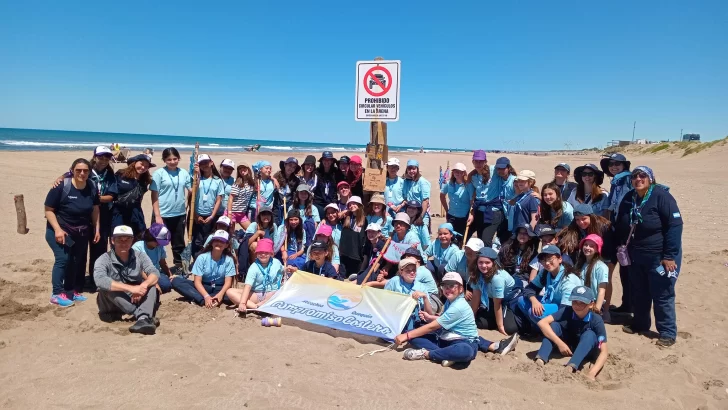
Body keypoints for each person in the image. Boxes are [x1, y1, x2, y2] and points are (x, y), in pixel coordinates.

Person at [615, 166, 682, 347]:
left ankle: (667, 332)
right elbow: (621, 222)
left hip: (660, 256)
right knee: (640, 292)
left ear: (651, 178)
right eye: (635, 176)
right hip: (636, 255)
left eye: (643, 175)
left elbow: (675, 226)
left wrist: (669, 256)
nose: (638, 179)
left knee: (662, 293)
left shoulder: (662, 196)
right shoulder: (630, 198)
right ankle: (640, 323)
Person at [395, 272, 519, 367]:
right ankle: (448, 355)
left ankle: (428, 354)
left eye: (452, 286)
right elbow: (444, 319)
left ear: (460, 289)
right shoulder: (450, 302)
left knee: (466, 351)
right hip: (447, 337)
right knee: (416, 337)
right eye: (445, 286)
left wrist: (406, 336)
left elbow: (433, 326)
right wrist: (430, 318)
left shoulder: (459, 306)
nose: (448, 289)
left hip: (463, 341)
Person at [45, 158, 101, 307]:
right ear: (72, 170)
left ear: (89, 172)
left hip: (81, 231)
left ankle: (70, 291)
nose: (82, 173)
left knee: (75, 261)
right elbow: (48, 210)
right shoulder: (62, 186)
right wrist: (57, 230)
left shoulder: (92, 186)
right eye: (78, 170)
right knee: (63, 259)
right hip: (60, 230)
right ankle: (56, 294)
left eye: (85, 171)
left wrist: (97, 228)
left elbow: (95, 209)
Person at [93, 225, 159, 335]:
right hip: (113, 305)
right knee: (105, 287)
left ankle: (142, 318)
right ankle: (142, 316)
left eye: (127, 239)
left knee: (151, 284)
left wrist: (143, 285)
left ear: (132, 241)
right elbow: (100, 280)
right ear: (113, 241)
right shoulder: (103, 259)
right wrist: (131, 289)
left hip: (136, 297)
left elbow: (154, 272)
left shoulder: (140, 256)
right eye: (120, 240)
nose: (124, 243)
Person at [535, 286, 608, 380]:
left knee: (590, 334)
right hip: (569, 346)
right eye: (574, 302)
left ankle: (571, 366)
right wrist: (559, 343)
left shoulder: (596, 320)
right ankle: (541, 358)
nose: (577, 306)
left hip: (587, 350)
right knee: (554, 325)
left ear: (591, 304)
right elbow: (542, 323)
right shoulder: (567, 310)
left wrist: (592, 373)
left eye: (582, 303)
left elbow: (604, 352)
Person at [517, 245, 583, 333]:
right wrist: (534, 301)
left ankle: (549, 330)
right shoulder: (545, 272)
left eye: (550, 258)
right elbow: (529, 289)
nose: (547, 263)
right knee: (522, 300)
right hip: (553, 303)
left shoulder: (568, 279)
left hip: (568, 309)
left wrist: (545, 318)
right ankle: (542, 328)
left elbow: (567, 309)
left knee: (534, 312)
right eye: (543, 260)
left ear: (560, 259)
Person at [150, 148, 191, 269]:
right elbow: (154, 195)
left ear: (179, 159)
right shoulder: (159, 173)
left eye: (175, 159)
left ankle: (180, 266)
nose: (172, 162)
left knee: (178, 243)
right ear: (164, 160)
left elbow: (191, 190)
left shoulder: (183, 173)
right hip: (162, 214)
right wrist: (157, 215)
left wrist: (197, 178)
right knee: (158, 241)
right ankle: (155, 265)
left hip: (179, 213)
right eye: (169, 159)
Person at [171, 230, 235, 307]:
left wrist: (220, 294)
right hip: (203, 286)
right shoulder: (202, 257)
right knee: (176, 281)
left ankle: (206, 298)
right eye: (216, 240)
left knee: (231, 293)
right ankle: (203, 300)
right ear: (212, 242)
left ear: (226, 245)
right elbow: (197, 281)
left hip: (220, 287)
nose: (219, 243)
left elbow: (228, 282)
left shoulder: (228, 260)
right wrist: (206, 296)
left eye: (222, 241)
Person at [469, 247, 522, 335]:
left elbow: (498, 304)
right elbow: (476, 296)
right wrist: (472, 316)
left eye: (487, 262)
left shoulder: (497, 278)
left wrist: (500, 326)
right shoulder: (477, 273)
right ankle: (494, 318)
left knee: (509, 328)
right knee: (479, 322)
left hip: (509, 299)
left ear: (494, 263)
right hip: (492, 299)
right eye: (480, 262)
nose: (483, 265)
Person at [227, 238, 286, 311]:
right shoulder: (253, 267)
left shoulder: (276, 262)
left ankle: (259, 305)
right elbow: (247, 286)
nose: (263, 254)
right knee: (230, 292)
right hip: (257, 294)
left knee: (282, 290)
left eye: (266, 252)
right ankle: (256, 307)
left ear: (271, 253)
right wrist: (242, 303)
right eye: (260, 252)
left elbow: (283, 271)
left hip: (273, 293)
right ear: (256, 253)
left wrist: (290, 269)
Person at [385, 258, 435, 333]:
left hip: (412, 319)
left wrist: (424, 297)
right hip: (394, 316)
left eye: (414, 270)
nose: (412, 272)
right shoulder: (395, 281)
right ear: (401, 272)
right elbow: (384, 299)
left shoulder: (421, 286)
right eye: (408, 270)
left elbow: (429, 314)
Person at [112, 154, 154, 237]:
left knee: (138, 237)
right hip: (118, 212)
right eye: (141, 164)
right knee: (118, 236)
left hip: (135, 212)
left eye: (146, 166)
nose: (143, 168)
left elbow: (140, 198)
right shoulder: (120, 174)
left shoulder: (144, 181)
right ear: (134, 163)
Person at [191, 154, 224, 256]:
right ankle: (196, 261)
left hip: (210, 215)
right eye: (201, 163)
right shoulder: (196, 179)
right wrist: (196, 215)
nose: (204, 165)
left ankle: (206, 259)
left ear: (211, 163)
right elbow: (191, 198)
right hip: (196, 215)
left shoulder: (218, 181)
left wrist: (212, 216)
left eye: (206, 162)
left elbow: (218, 200)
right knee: (196, 241)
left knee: (208, 240)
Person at [573, 234, 608, 318]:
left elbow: (601, 291)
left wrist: (597, 310)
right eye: (585, 245)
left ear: (597, 249)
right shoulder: (580, 263)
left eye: (591, 246)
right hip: (578, 300)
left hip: (592, 303)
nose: (587, 248)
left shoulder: (601, 267)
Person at [132, 224, 173, 294]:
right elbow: (139, 269)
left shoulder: (160, 247)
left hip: (155, 273)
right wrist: (154, 284)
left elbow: (162, 263)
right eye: (158, 242)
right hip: (142, 275)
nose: (159, 244)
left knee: (167, 285)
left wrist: (170, 275)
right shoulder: (137, 247)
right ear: (150, 239)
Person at [467, 150, 497, 245]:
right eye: (476, 161)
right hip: (479, 211)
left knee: (486, 239)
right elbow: (472, 197)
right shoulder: (473, 177)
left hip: (493, 210)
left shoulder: (493, 171)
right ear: (473, 162)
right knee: (480, 239)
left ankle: (489, 259)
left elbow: (509, 173)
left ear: (485, 161)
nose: (478, 163)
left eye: (481, 161)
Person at [487, 156, 517, 244]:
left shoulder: (514, 181)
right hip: (504, 216)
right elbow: (486, 167)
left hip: (513, 217)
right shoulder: (499, 179)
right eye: (498, 168)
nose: (500, 171)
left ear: (508, 168)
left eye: (503, 168)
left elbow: (523, 194)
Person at [440, 162, 474, 238]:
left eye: (460, 172)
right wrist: (446, 210)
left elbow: (472, 201)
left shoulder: (468, 185)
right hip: (451, 215)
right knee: (450, 238)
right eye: (456, 171)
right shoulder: (449, 184)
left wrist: (471, 214)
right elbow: (442, 196)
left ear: (464, 173)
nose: (457, 173)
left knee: (461, 239)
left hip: (464, 217)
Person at [339, 196, 367, 277]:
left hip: (356, 255)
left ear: (359, 205)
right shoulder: (346, 218)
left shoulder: (365, 219)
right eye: (350, 205)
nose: (352, 206)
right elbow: (334, 217)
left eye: (354, 204)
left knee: (354, 279)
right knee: (342, 277)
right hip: (344, 253)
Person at [600, 153, 632, 224]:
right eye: (610, 164)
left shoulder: (630, 179)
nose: (613, 166)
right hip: (617, 218)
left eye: (617, 163)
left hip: (628, 220)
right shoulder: (615, 182)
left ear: (624, 165)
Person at [402, 160, 432, 232]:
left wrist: (421, 217)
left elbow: (425, 201)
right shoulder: (406, 181)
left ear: (417, 169)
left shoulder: (423, 182)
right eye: (409, 169)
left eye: (414, 169)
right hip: (410, 214)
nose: (411, 171)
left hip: (421, 214)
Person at [227, 164, 255, 231]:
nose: (242, 170)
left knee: (251, 231)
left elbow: (259, 177)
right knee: (231, 234)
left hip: (242, 213)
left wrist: (273, 179)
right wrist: (229, 214)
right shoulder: (237, 183)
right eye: (240, 169)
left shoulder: (251, 182)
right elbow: (230, 199)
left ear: (248, 169)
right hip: (233, 212)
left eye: (244, 168)